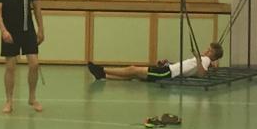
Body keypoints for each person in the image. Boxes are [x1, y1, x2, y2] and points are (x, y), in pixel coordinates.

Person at [0, 0, 44, 114]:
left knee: (34, 64)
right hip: (10, 32)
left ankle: (32, 98)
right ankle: (9, 101)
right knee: (10, 67)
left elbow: (37, 8)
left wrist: (41, 29)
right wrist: (3, 30)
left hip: (28, 31)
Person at [87, 42, 222, 81]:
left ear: (212, 55)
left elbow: (201, 74)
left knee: (133, 69)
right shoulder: (204, 60)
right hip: (168, 69)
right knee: (134, 74)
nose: (206, 50)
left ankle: (102, 69)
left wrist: (198, 58)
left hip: (167, 74)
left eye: (209, 50)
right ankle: (103, 75)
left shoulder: (204, 60)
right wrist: (168, 63)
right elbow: (184, 67)